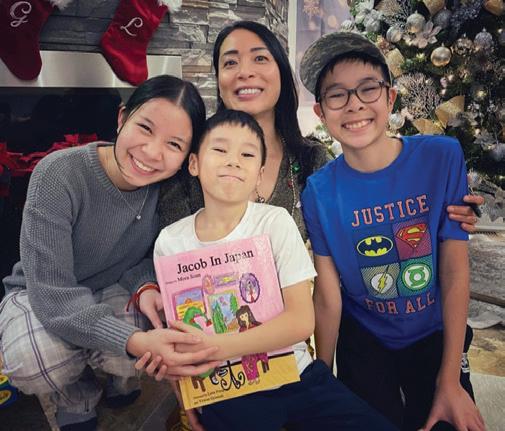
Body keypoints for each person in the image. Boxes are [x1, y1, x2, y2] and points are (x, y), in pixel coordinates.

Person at [154, 20, 483, 431]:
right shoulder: (198, 168)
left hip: (319, 348)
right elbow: (169, 270)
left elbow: (440, 258)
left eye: (260, 58)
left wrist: (455, 210)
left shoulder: (312, 164)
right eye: (230, 62)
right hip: (237, 369)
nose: (245, 72)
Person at [151, 109, 397, 431]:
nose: (233, 161)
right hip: (225, 389)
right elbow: (177, 337)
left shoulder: (274, 222)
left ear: (259, 174)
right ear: (194, 164)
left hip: (296, 374)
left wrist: (216, 347)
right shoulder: (171, 241)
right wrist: (184, 392)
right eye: (220, 149)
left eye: (247, 154)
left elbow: (301, 321)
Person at [0, 75, 219, 431]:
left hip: (114, 285)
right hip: (42, 290)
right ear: (121, 118)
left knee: (156, 329)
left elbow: (150, 255)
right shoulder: (58, 174)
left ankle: (120, 378)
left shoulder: (170, 189)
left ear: (187, 156)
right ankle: (76, 395)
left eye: (174, 144)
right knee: (35, 361)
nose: (152, 152)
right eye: (145, 128)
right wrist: (134, 342)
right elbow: (53, 294)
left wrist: (145, 285)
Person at [299, 32, 485, 431]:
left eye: (368, 88)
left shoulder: (442, 156)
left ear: (390, 98)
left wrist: (450, 380)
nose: (354, 104)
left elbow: (454, 270)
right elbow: (328, 294)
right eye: (337, 95)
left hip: (433, 331)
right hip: (365, 337)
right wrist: (320, 382)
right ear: (320, 112)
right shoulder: (318, 191)